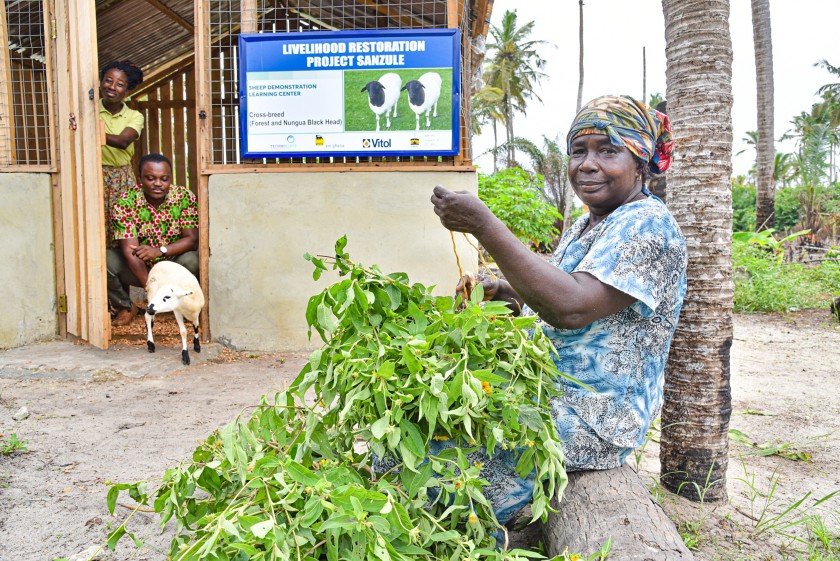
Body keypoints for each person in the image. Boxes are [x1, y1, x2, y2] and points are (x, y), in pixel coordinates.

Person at [430, 94, 687, 524]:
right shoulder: (590, 223)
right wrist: (504, 292)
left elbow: (570, 307)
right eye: (578, 151)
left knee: (445, 464)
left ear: (640, 162)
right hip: (552, 396)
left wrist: (484, 225)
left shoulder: (647, 225)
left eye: (608, 151)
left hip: (595, 416)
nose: (587, 164)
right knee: (430, 419)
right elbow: (560, 291)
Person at [107, 153, 199, 326]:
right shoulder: (125, 202)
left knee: (194, 260)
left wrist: (159, 250)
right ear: (140, 178)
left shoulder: (184, 197)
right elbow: (129, 251)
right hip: (140, 266)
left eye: (164, 179)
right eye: (150, 178)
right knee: (105, 261)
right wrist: (153, 291)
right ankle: (126, 306)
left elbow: (191, 240)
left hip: (174, 264)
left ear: (170, 179)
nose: (158, 183)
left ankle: (185, 306)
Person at [99, 60, 144, 248]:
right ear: (101, 82)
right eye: (108, 81)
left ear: (127, 90)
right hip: (95, 174)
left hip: (121, 177)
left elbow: (123, 141)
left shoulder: (135, 116)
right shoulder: (89, 110)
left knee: (123, 226)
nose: (112, 87)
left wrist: (91, 131)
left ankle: (124, 272)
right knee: (97, 224)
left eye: (119, 84)